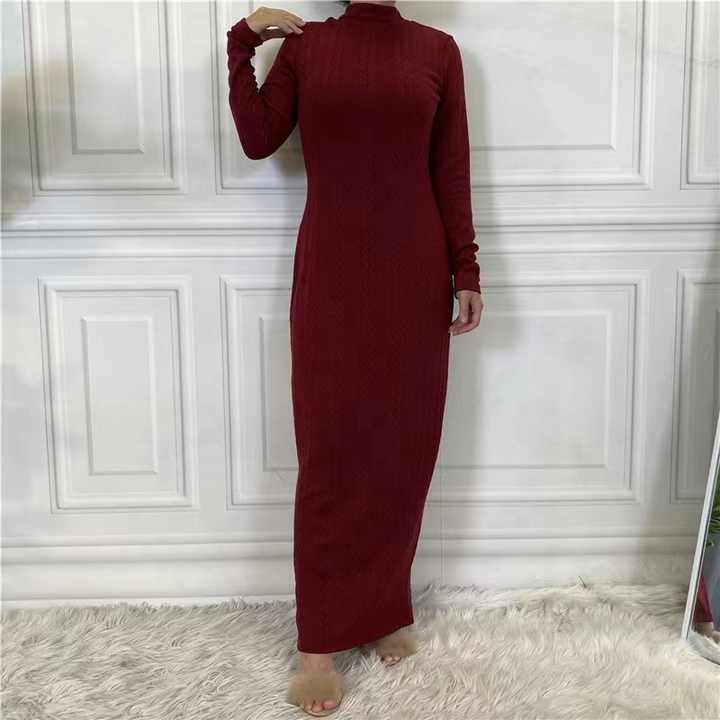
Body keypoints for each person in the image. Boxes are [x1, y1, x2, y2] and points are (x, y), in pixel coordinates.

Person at [227, 1, 483, 715]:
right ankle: (317, 644)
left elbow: (450, 168)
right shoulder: (309, 49)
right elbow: (257, 139)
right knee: (332, 452)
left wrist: (466, 267)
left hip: (414, 274)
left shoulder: (438, 51)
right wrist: (242, 43)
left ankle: (381, 609)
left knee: (402, 450)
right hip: (333, 275)